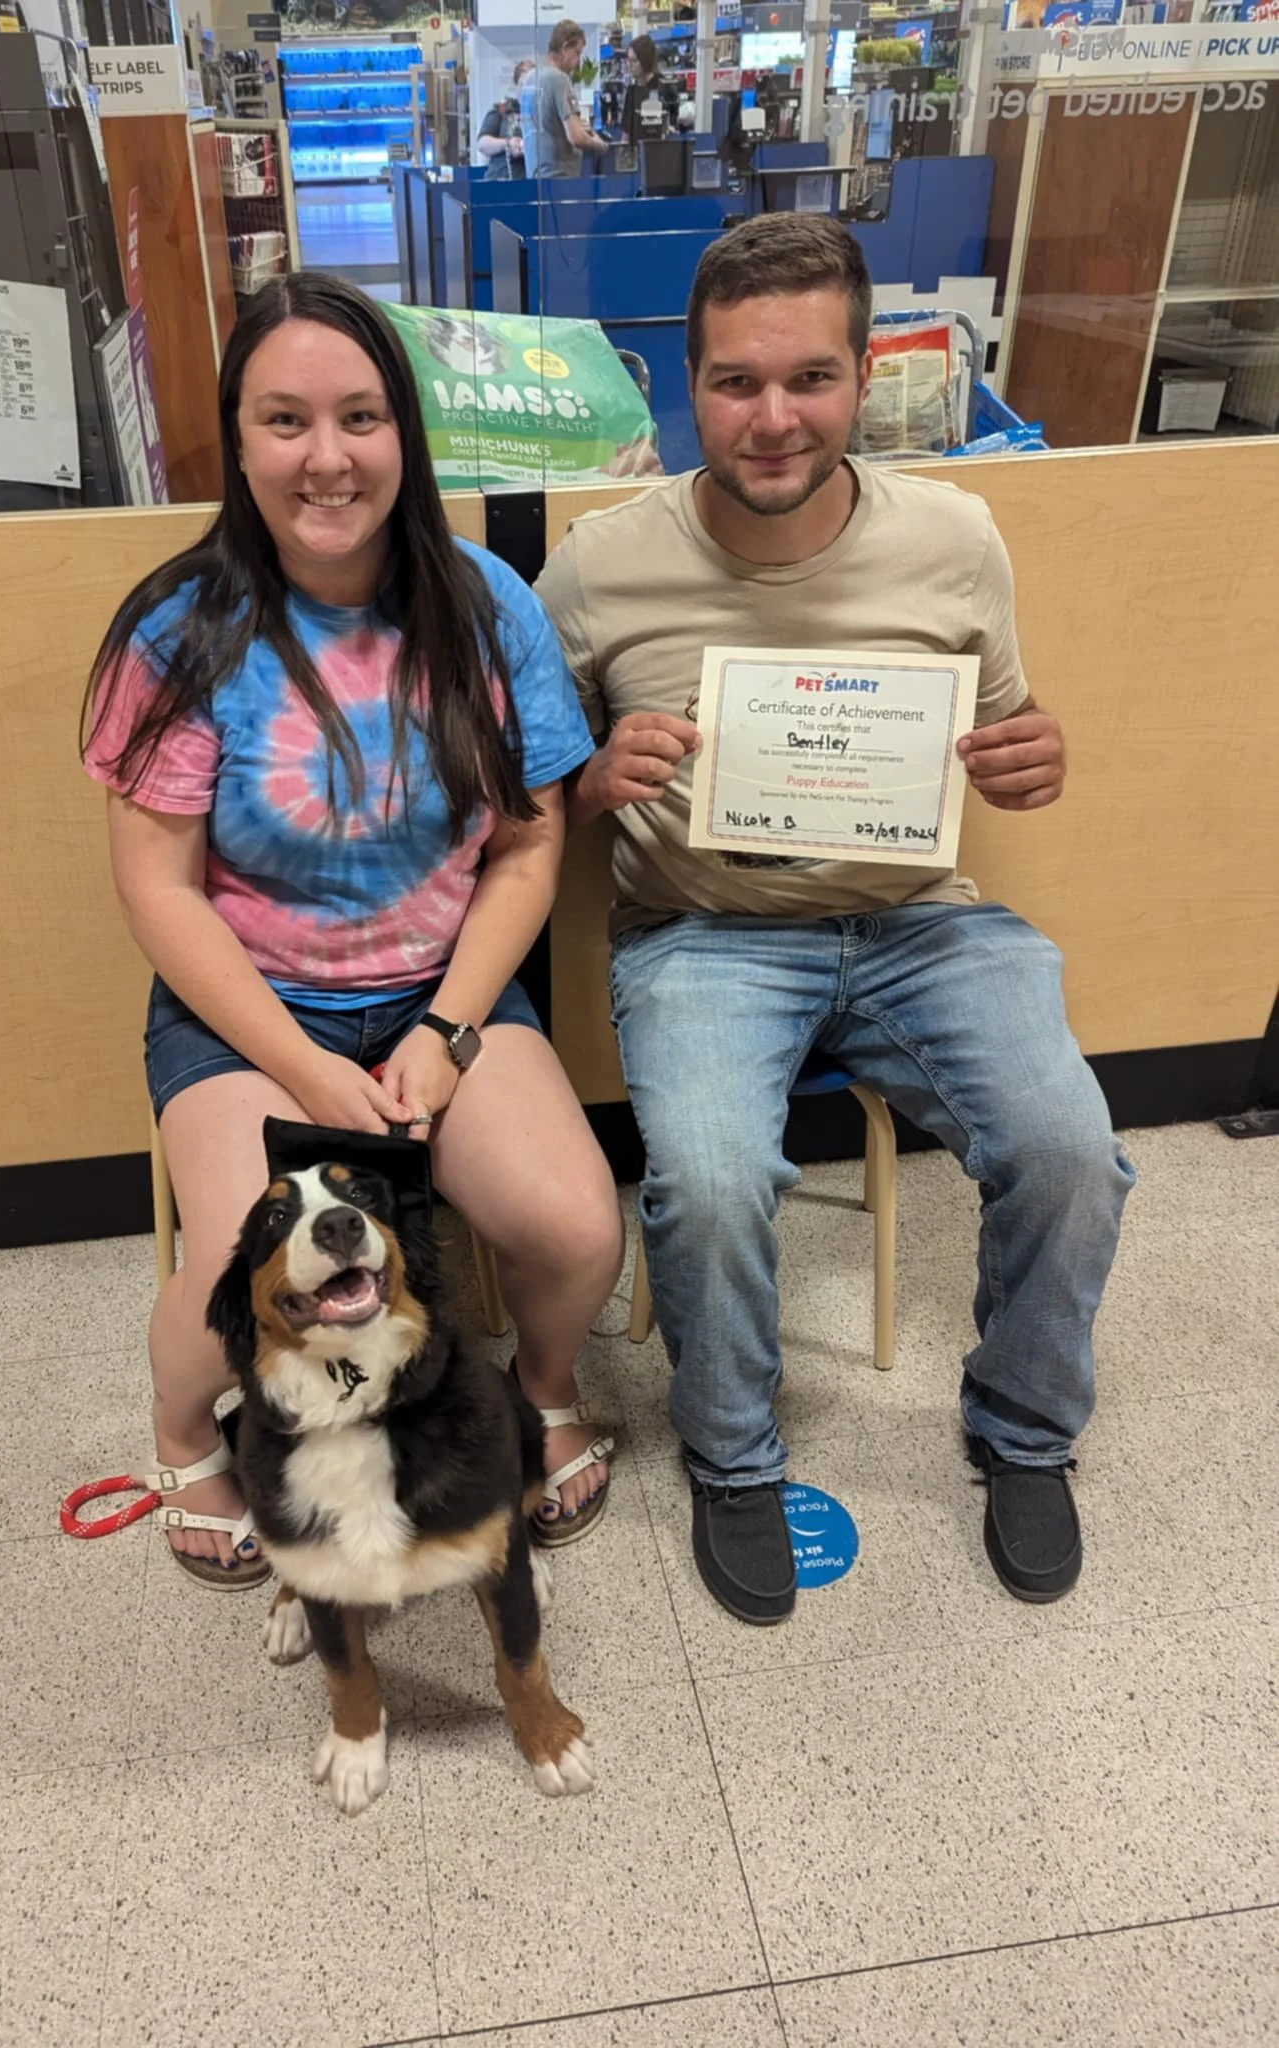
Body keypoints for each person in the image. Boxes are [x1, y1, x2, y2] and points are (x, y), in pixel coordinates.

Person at [536, 216, 1134, 1625]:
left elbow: (1004, 731)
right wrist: (579, 784)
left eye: (808, 378)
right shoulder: (599, 564)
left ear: (865, 375)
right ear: (688, 384)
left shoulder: (955, 534)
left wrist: (1035, 757)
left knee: (1069, 1151)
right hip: (702, 932)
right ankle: (733, 1459)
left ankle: (1023, 1433)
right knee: (708, 1172)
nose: (771, 418)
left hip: (924, 921)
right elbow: (513, 790)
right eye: (736, 383)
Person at [82, 271, 622, 1586]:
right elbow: (159, 891)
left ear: (404, 435)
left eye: (359, 417)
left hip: (444, 995)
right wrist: (315, 1074)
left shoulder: (486, 604)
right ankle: (176, 1434)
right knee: (236, 1278)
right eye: (283, 422)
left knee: (575, 1226)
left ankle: (539, 1393)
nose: (326, 457)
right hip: (249, 1018)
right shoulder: (179, 629)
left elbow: (529, 841)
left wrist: (443, 1031)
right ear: (238, 439)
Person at [524, 20, 608, 180]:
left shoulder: (530, 79)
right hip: (559, 181)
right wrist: (598, 144)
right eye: (577, 53)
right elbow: (576, 136)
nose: (578, 61)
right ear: (564, 48)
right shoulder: (559, 79)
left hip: (535, 179)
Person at [479, 58, 536, 180]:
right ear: (516, 85)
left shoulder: (542, 113)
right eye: (523, 84)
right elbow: (482, 144)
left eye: (531, 84)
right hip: (501, 178)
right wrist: (507, 144)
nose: (526, 89)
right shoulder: (502, 110)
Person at [618, 34, 678, 143]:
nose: (630, 65)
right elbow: (626, 134)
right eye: (628, 60)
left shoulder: (664, 87)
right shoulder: (631, 92)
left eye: (634, 61)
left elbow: (674, 127)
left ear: (646, 60)